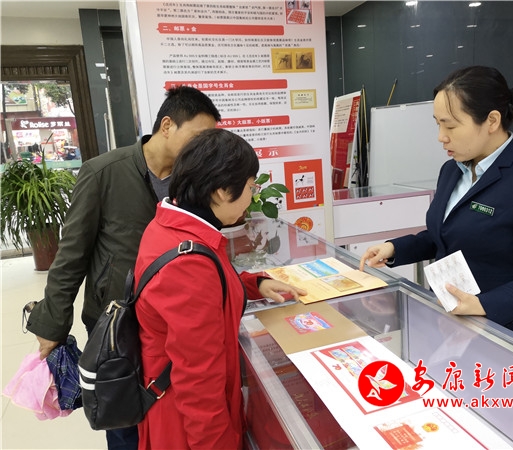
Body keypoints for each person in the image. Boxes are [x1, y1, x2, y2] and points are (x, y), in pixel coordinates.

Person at [25, 86, 221, 449]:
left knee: (163, 412)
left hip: (169, 321)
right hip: (116, 322)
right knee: (123, 419)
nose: (203, 149)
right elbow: (71, 254)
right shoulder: (104, 172)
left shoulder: (192, 181)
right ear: (167, 126)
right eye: (198, 137)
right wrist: (52, 324)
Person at [360, 66, 513, 347]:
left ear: (492, 120)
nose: (441, 136)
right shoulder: (452, 170)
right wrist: (395, 249)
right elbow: (446, 235)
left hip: (506, 335)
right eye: (438, 124)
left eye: (450, 126)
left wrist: (485, 304)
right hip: (449, 325)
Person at [133, 128, 307, 449]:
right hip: (185, 428)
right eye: (250, 188)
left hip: (168, 403)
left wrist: (255, 284)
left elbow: (205, 290)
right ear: (222, 191)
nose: (252, 198)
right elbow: (198, 383)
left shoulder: (173, 227)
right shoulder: (188, 262)